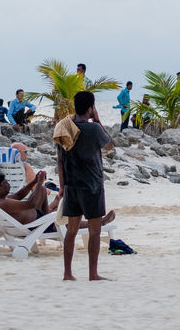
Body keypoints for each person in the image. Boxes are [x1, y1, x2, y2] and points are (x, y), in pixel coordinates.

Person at [57, 90, 114, 281]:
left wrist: (62, 185)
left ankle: (67, 273)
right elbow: (109, 146)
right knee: (94, 231)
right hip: (92, 186)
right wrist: (97, 121)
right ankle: (93, 273)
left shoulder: (64, 127)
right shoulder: (94, 129)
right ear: (90, 108)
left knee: (71, 231)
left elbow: (59, 160)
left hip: (72, 185)